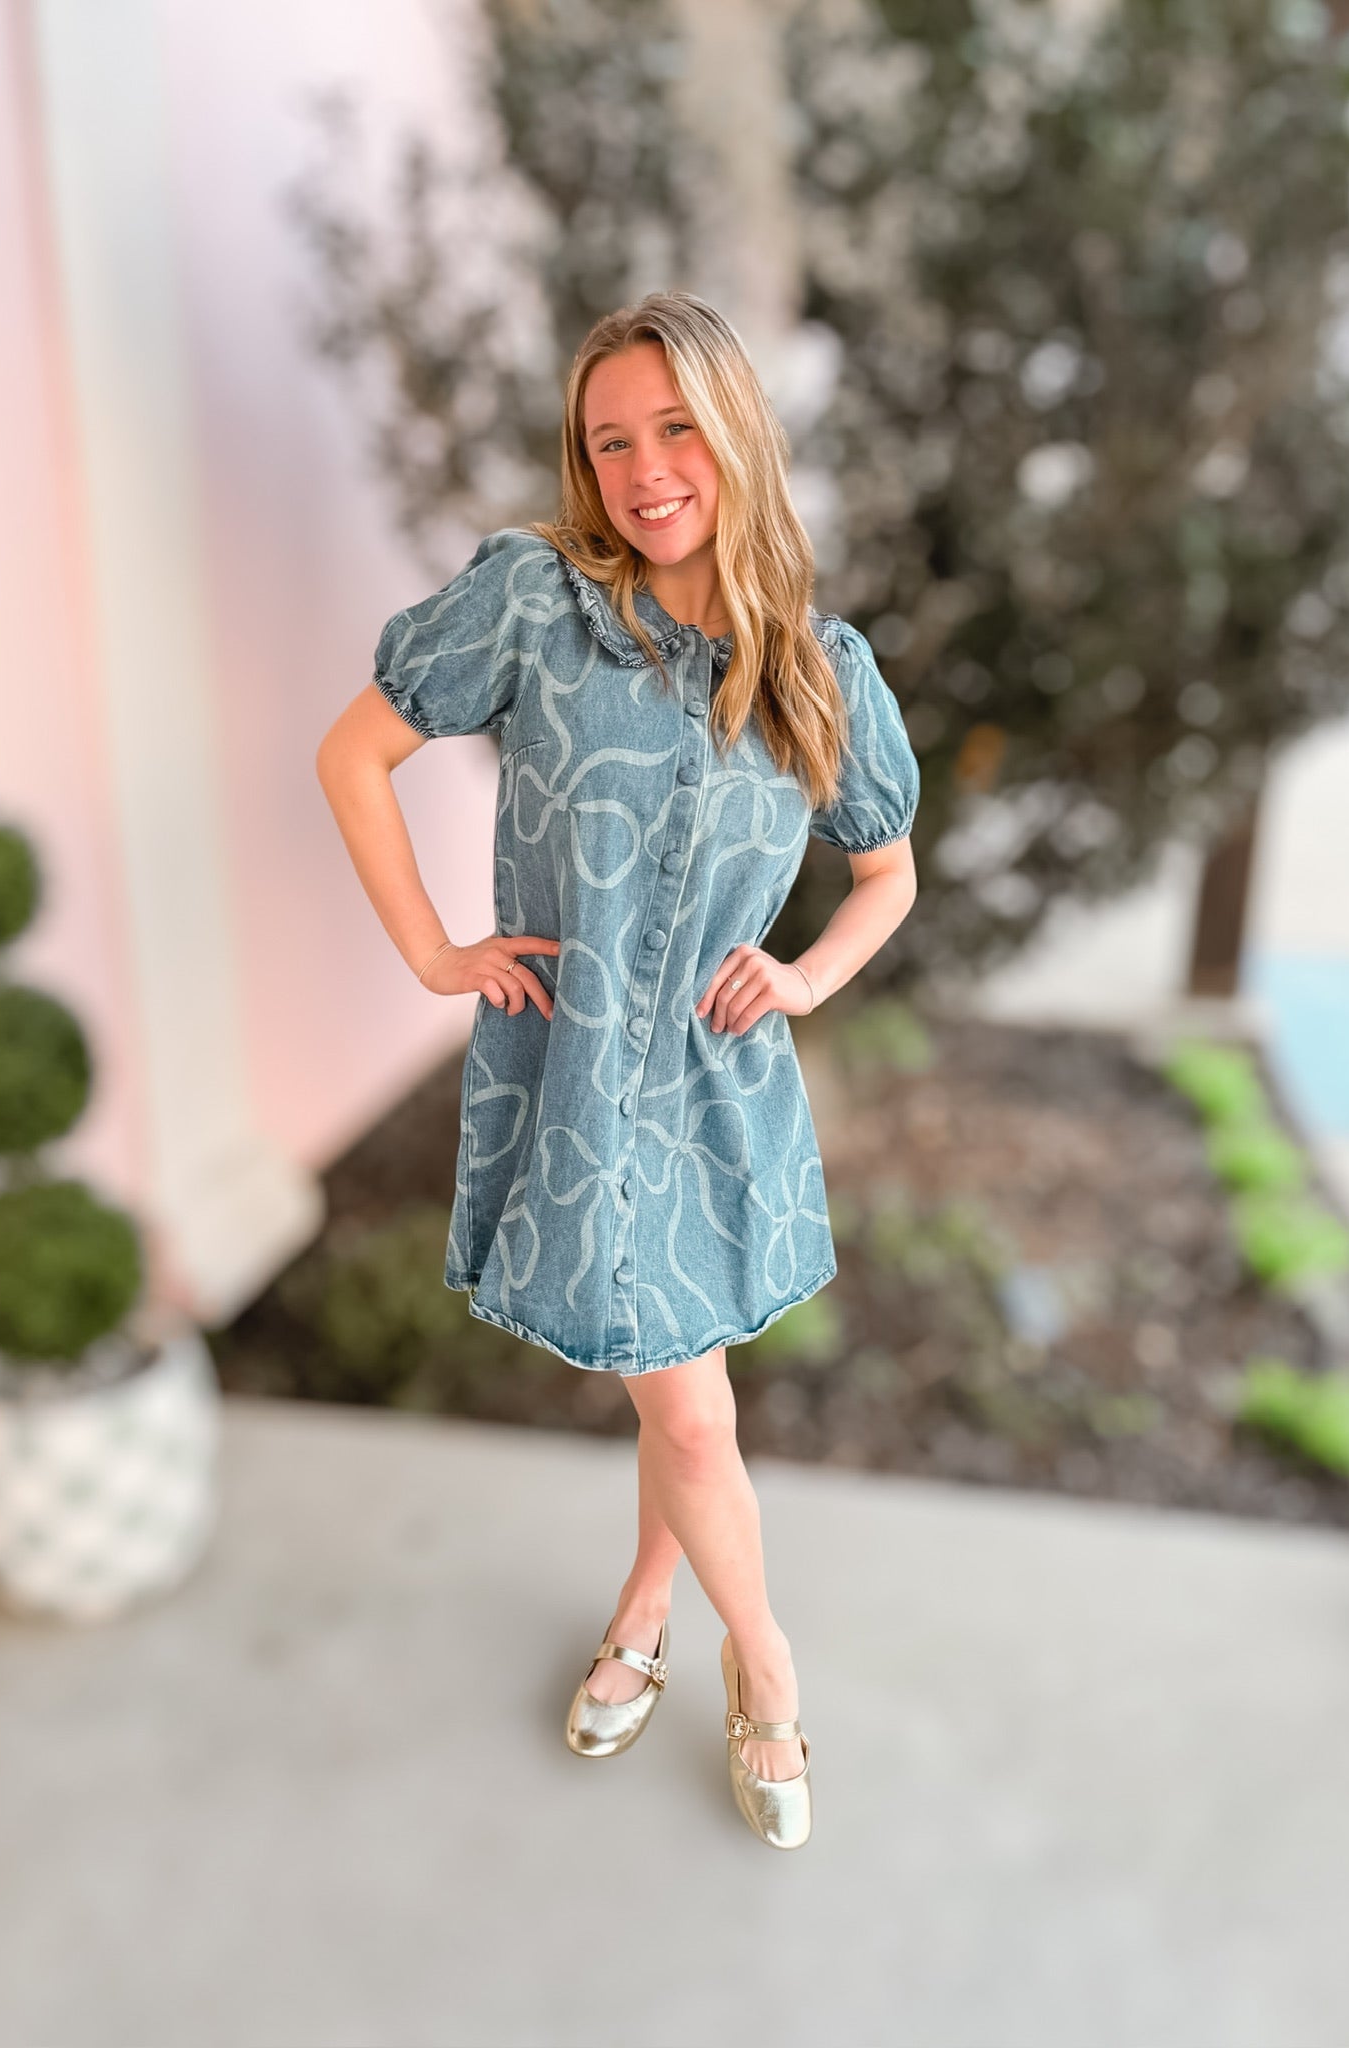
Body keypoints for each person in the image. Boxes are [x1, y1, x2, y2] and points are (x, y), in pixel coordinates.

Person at [316, 290, 920, 1850]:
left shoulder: (818, 670)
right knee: (695, 1413)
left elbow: (889, 873)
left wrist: (803, 976)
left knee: (684, 1397)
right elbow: (353, 756)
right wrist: (434, 951)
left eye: (675, 430)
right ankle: (763, 1664)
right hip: (577, 1086)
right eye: (609, 442)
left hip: (716, 1093)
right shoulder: (536, 605)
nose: (645, 471)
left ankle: (661, 1621)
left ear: (736, 437)